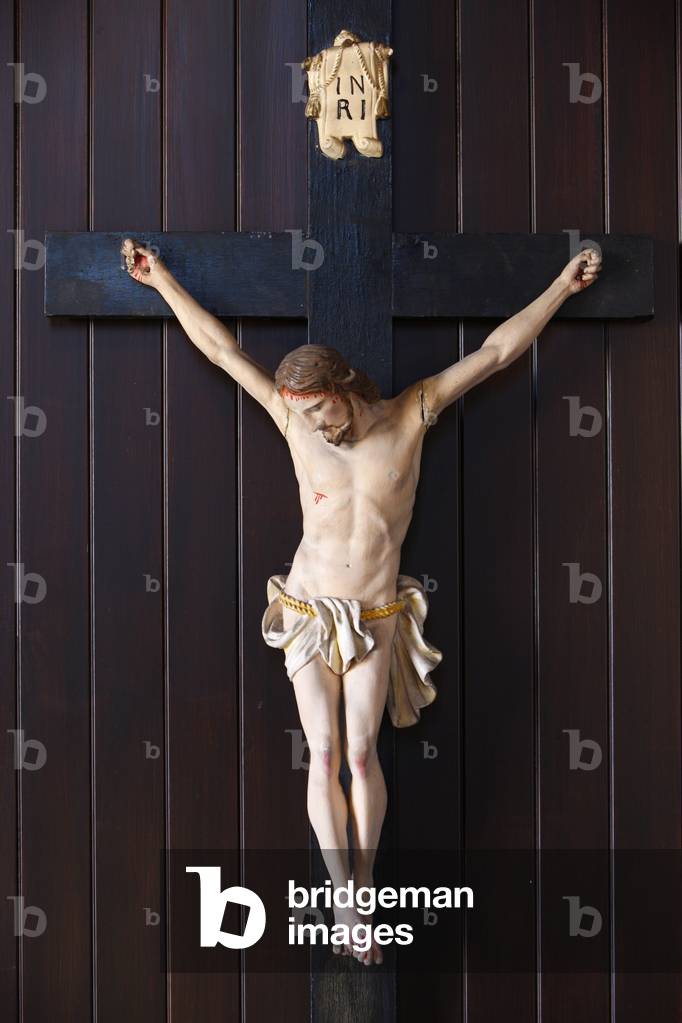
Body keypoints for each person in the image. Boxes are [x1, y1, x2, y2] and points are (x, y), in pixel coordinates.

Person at [122, 236, 602, 965]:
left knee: (361, 752)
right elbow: (222, 352)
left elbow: (498, 352)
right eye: (306, 414)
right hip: (310, 612)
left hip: (377, 614)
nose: (318, 425)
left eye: (323, 409)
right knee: (321, 753)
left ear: (344, 386)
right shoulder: (294, 422)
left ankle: (366, 881)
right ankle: (346, 897)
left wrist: (563, 287)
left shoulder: (412, 414)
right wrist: (161, 281)